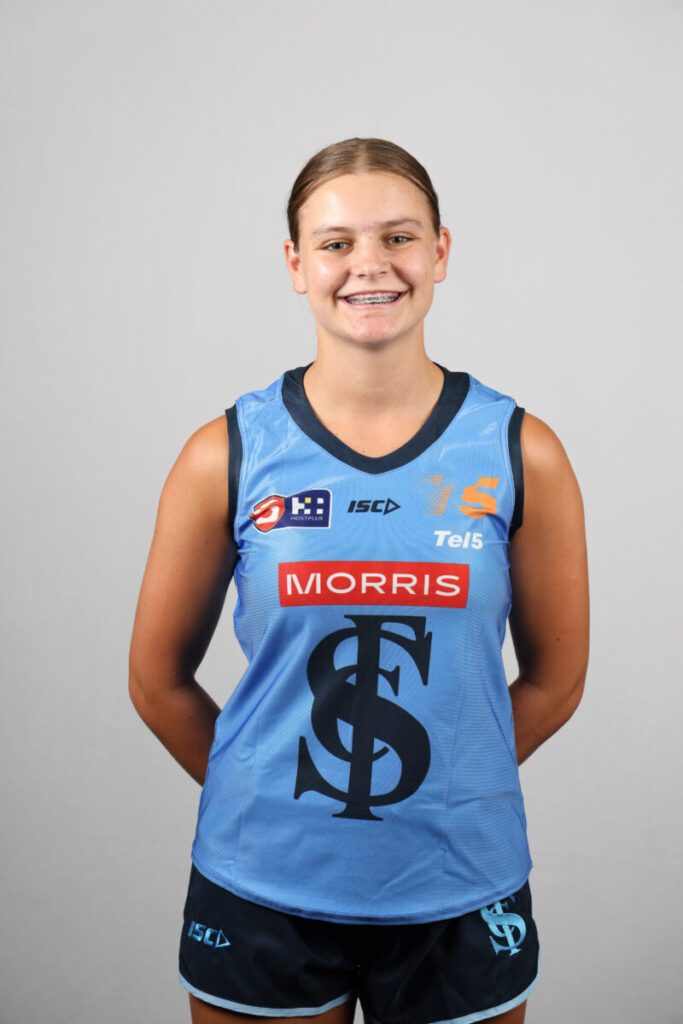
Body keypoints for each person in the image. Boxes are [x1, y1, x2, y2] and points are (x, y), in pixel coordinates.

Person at [129, 137, 589, 1024]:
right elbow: (156, 682)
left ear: (439, 252)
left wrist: (444, 791)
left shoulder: (519, 451)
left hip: (459, 879)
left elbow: (557, 681)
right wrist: (263, 795)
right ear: (295, 264)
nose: (368, 264)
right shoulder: (225, 453)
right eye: (335, 243)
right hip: (260, 882)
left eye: (398, 237)